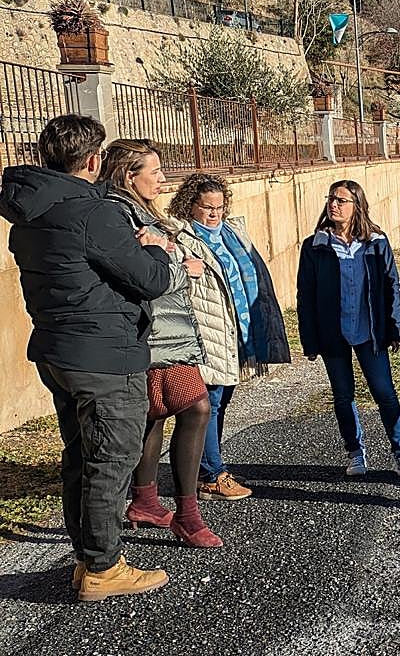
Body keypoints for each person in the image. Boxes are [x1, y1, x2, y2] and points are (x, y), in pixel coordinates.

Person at [0, 115, 172, 600]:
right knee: (111, 460)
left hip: (59, 350)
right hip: (104, 355)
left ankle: (87, 556)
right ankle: (102, 567)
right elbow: (150, 280)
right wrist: (155, 248)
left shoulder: (30, 211)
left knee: (81, 455)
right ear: (94, 159)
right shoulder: (92, 212)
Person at [99, 139, 222, 549]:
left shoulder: (137, 211)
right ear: (128, 176)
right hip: (155, 333)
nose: (163, 178)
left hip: (163, 331)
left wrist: (165, 253)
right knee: (196, 407)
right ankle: (187, 514)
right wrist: (181, 265)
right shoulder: (119, 213)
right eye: (154, 172)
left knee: (156, 414)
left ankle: (146, 501)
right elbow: (141, 274)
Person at [166, 173, 291, 502]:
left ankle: (208, 467)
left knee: (221, 402)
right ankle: (211, 473)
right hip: (208, 331)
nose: (214, 214)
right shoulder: (181, 238)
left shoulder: (234, 233)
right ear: (190, 205)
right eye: (207, 207)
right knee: (208, 403)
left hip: (237, 330)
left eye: (219, 207)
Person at [296, 180, 400, 480]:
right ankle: (355, 454)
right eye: (331, 199)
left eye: (342, 200)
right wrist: (310, 339)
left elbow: (391, 285)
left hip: (370, 331)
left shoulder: (376, 242)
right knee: (343, 394)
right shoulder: (315, 246)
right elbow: (305, 294)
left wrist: (394, 327)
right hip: (333, 332)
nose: (334, 205)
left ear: (357, 206)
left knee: (384, 392)